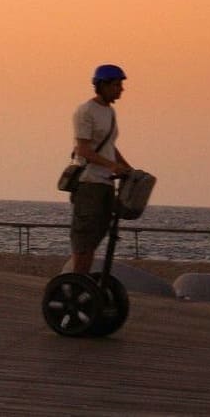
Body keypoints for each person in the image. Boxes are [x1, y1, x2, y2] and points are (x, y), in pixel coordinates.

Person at [65, 63, 135, 274]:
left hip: (105, 183)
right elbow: (83, 149)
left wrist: (128, 168)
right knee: (84, 239)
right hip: (89, 183)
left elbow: (108, 146)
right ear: (102, 85)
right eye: (116, 85)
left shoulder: (110, 112)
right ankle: (77, 283)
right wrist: (113, 165)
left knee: (96, 238)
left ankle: (84, 283)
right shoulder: (86, 111)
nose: (121, 89)